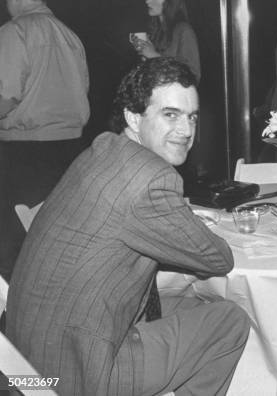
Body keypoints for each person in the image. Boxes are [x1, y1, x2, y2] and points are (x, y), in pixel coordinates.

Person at [6, 58, 249, 395]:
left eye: (191, 116)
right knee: (229, 321)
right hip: (76, 376)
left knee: (192, 304)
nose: (187, 130)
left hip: (24, 366)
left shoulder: (101, 150)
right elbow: (219, 259)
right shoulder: (151, 178)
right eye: (171, 114)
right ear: (134, 117)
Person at [0, 0, 89, 281]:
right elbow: (83, 89)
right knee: (53, 240)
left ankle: (11, 316)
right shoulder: (69, 34)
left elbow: (5, 95)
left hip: (24, 152)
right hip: (70, 151)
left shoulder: (14, 32)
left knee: (12, 245)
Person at [135, 0, 201, 82]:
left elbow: (192, 76)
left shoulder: (184, 30)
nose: (147, 1)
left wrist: (154, 56)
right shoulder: (156, 32)